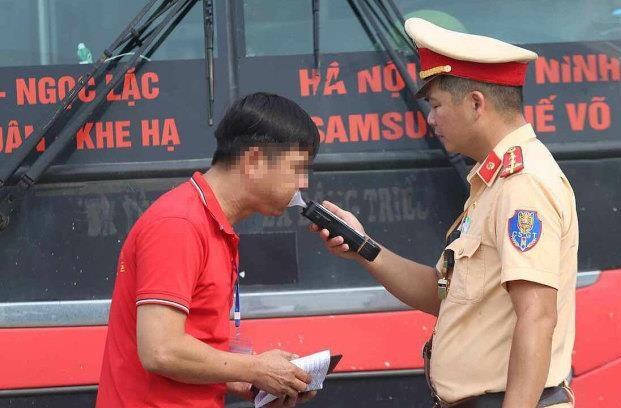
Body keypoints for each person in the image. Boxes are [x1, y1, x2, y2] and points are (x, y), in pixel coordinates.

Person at [311, 18, 578, 408]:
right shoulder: (493, 182)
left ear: (475, 103)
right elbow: (443, 294)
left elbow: (536, 318)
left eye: (436, 105)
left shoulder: (522, 183)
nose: (431, 119)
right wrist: (363, 248)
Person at [97, 92, 320, 408]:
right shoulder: (180, 223)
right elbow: (161, 350)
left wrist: (251, 380)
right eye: (297, 168)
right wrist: (255, 367)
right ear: (253, 161)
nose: (303, 183)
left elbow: (188, 347)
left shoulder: (208, 222)